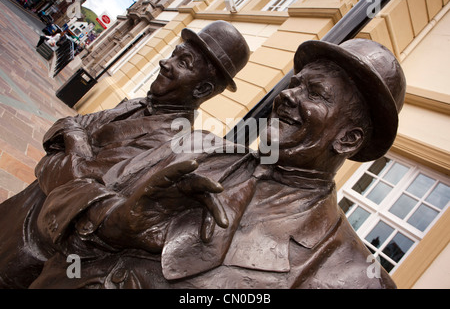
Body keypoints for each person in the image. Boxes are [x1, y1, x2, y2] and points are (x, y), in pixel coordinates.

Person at [22, 38, 405, 289]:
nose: (288, 95)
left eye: (315, 93)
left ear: (348, 138)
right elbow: (65, 194)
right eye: (295, 83)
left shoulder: (353, 275)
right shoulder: (195, 146)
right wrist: (115, 221)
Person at [0, 20, 250, 288]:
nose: (165, 62)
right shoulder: (139, 103)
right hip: (16, 212)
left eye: (183, 62)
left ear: (201, 89)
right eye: (174, 54)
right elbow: (68, 124)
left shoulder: (169, 144)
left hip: (28, 246)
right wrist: (74, 138)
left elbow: (70, 181)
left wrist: (69, 148)